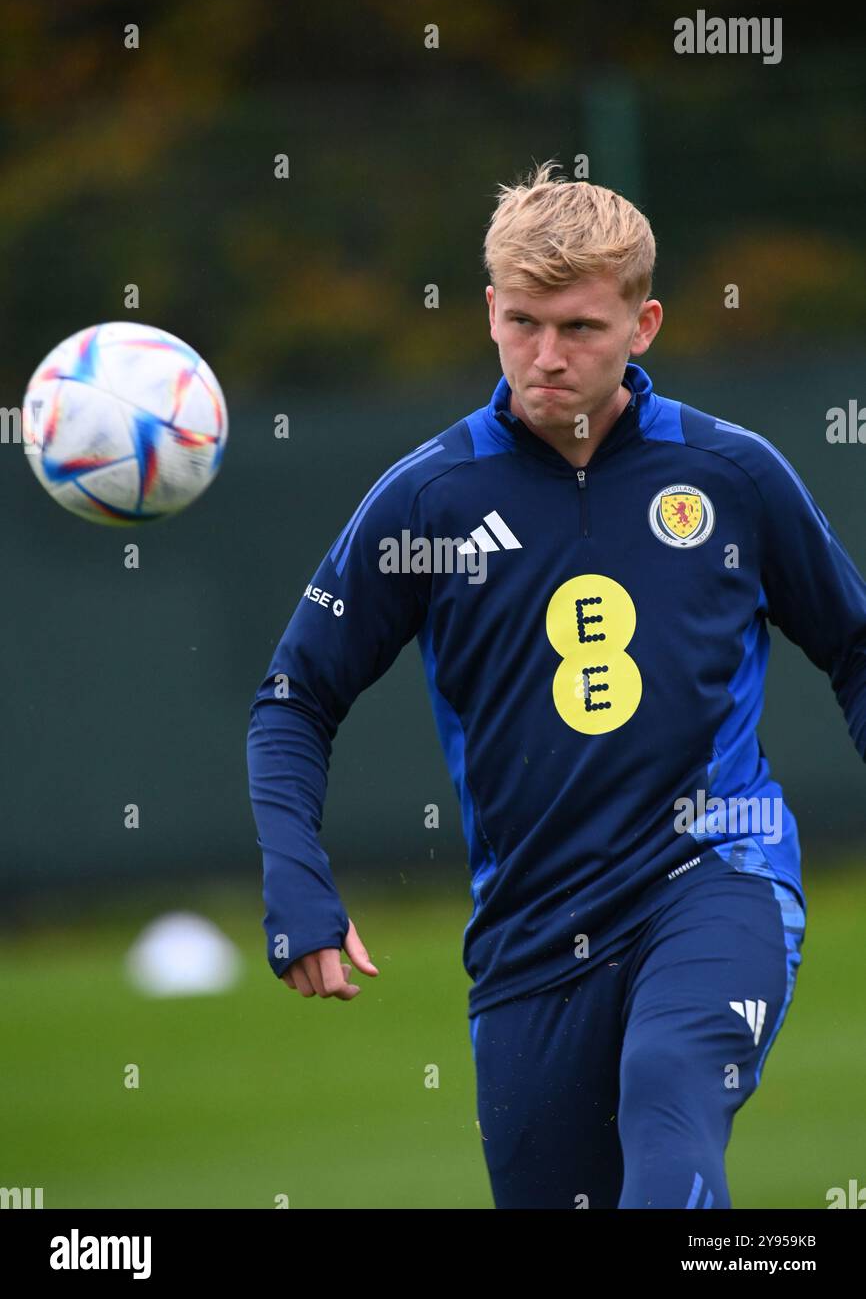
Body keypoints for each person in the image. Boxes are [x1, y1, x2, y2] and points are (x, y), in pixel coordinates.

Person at [247, 159, 866, 1208]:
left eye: (579, 328)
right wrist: (294, 880)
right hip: (529, 933)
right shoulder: (428, 502)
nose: (545, 358)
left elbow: (853, 646)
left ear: (644, 323)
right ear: (487, 310)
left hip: (716, 875)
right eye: (522, 322)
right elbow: (294, 701)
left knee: (666, 1085)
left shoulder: (732, 476)